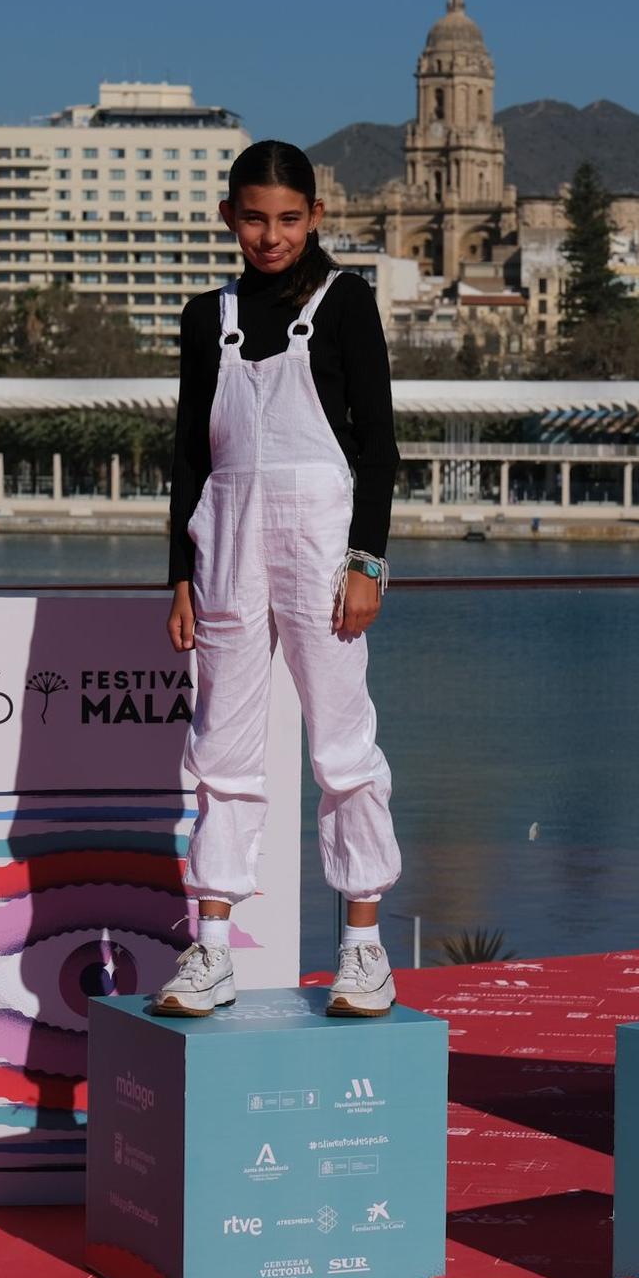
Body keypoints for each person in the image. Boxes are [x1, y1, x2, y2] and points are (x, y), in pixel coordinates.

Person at [155, 140, 403, 1018]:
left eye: (288, 219)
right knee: (219, 744)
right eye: (254, 218)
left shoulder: (346, 304)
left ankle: (364, 948)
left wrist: (368, 562)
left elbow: (379, 446)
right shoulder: (203, 315)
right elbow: (189, 451)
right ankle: (212, 946)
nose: (270, 235)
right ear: (229, 217)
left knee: (341, 740)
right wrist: (178, 572)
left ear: (315, 218)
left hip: (321, 542)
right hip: (223, 540)